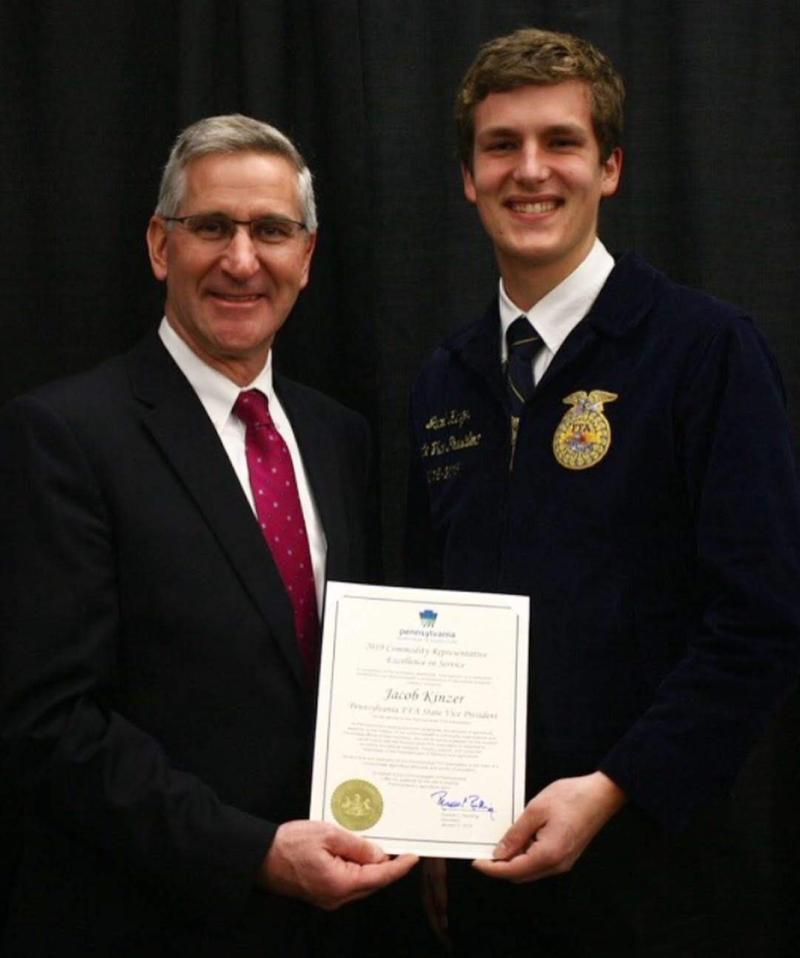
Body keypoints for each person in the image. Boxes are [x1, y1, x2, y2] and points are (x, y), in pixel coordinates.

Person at [405, 28, 800, 956]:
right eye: (501, 146)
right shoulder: (444, 378)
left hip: (658, 879)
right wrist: (424, 820)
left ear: (610, 167)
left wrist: (615, 787)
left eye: (561, 142)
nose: (529, 171)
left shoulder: (705, 351)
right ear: (468, 177)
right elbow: (428, 610)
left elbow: (761, 620)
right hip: (486, 874)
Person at [0, 114, 415, 956]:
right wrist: (252, 854)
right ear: (160, 246)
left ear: (307, 255)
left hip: (337, 922)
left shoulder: (342, 438)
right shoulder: (63, 435)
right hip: (146, 918)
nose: (240, 259)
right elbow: (47, 722)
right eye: (211, 227)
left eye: (271, 230)